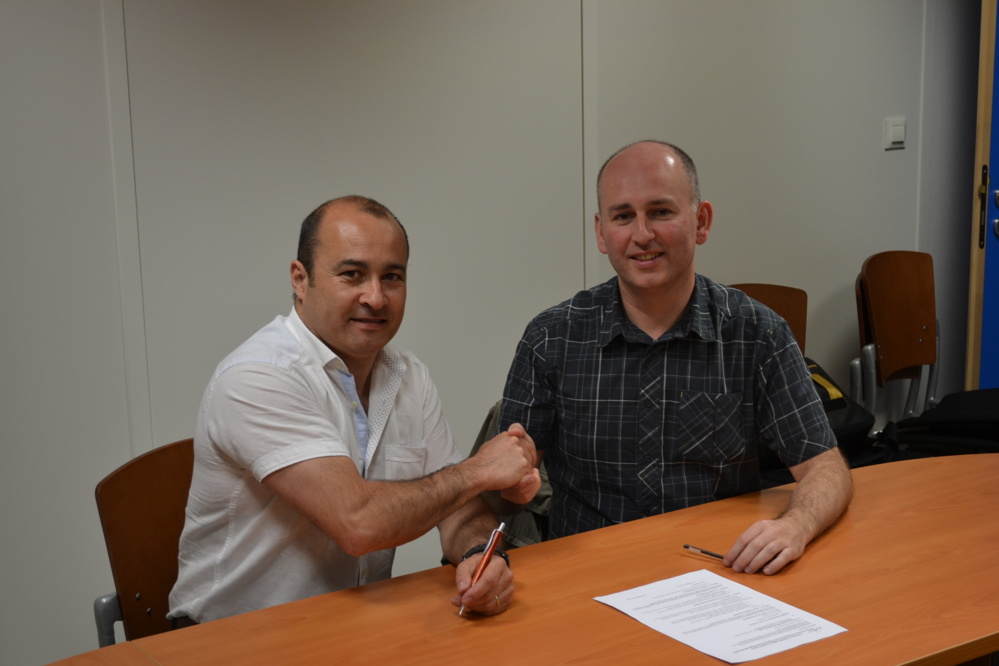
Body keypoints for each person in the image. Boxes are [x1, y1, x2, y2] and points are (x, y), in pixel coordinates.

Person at [168, 195, 540, 624]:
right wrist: (479, 471)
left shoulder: (409, 375)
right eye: (352, 275)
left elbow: (457, 507)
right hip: (229, 639)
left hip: (352, 626)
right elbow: (359, 523)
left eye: (392, 277)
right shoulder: (258, 376)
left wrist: (479, 554)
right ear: (300, 279)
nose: (376, 298)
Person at [500, 140, 852, 575]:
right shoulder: (551, 338)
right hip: (588, 576)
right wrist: (511, 489)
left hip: (716, 571)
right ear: (601, 232)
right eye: (623, 216)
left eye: (661, 212)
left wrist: (796, 526)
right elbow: (502, 484)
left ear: (701, 221)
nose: (642, 235)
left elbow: (826, 467)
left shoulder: (758, 334)